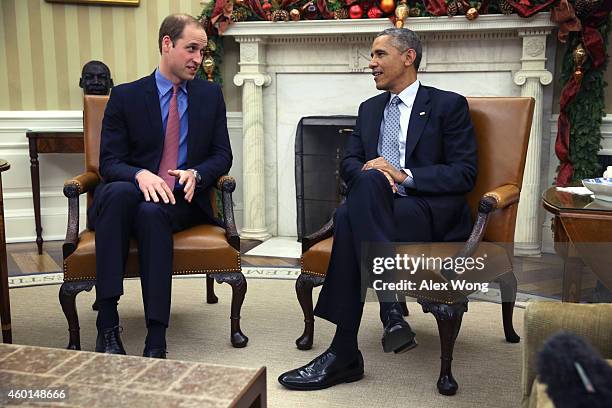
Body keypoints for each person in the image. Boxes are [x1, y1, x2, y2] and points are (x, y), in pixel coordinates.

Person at [278, 27, 477, 390]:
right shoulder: (369, 110)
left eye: (379, 54)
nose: (371, 63)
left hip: (424, 211)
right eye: (372, 56)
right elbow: (350, 164)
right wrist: (374, 169)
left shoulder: (448, 105)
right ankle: (386, 314)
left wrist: (402, 175)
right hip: (378, 211)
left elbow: (464, 173)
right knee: (366, 187)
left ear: (408, 57)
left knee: (350, 216)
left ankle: (347, 350)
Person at [90, 14, 232, 359]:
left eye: (202, 50)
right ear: (167, 44)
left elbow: (222, 155)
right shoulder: (125, 96)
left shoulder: (210, 96)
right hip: (127, 193)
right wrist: (140, 174)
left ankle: (156, 337)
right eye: (191, 49)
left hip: (178, 201)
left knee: (152, 212)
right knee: (122, 191)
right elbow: (109, 163)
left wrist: (196, 174)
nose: (198, 58)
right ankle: (107, 323)